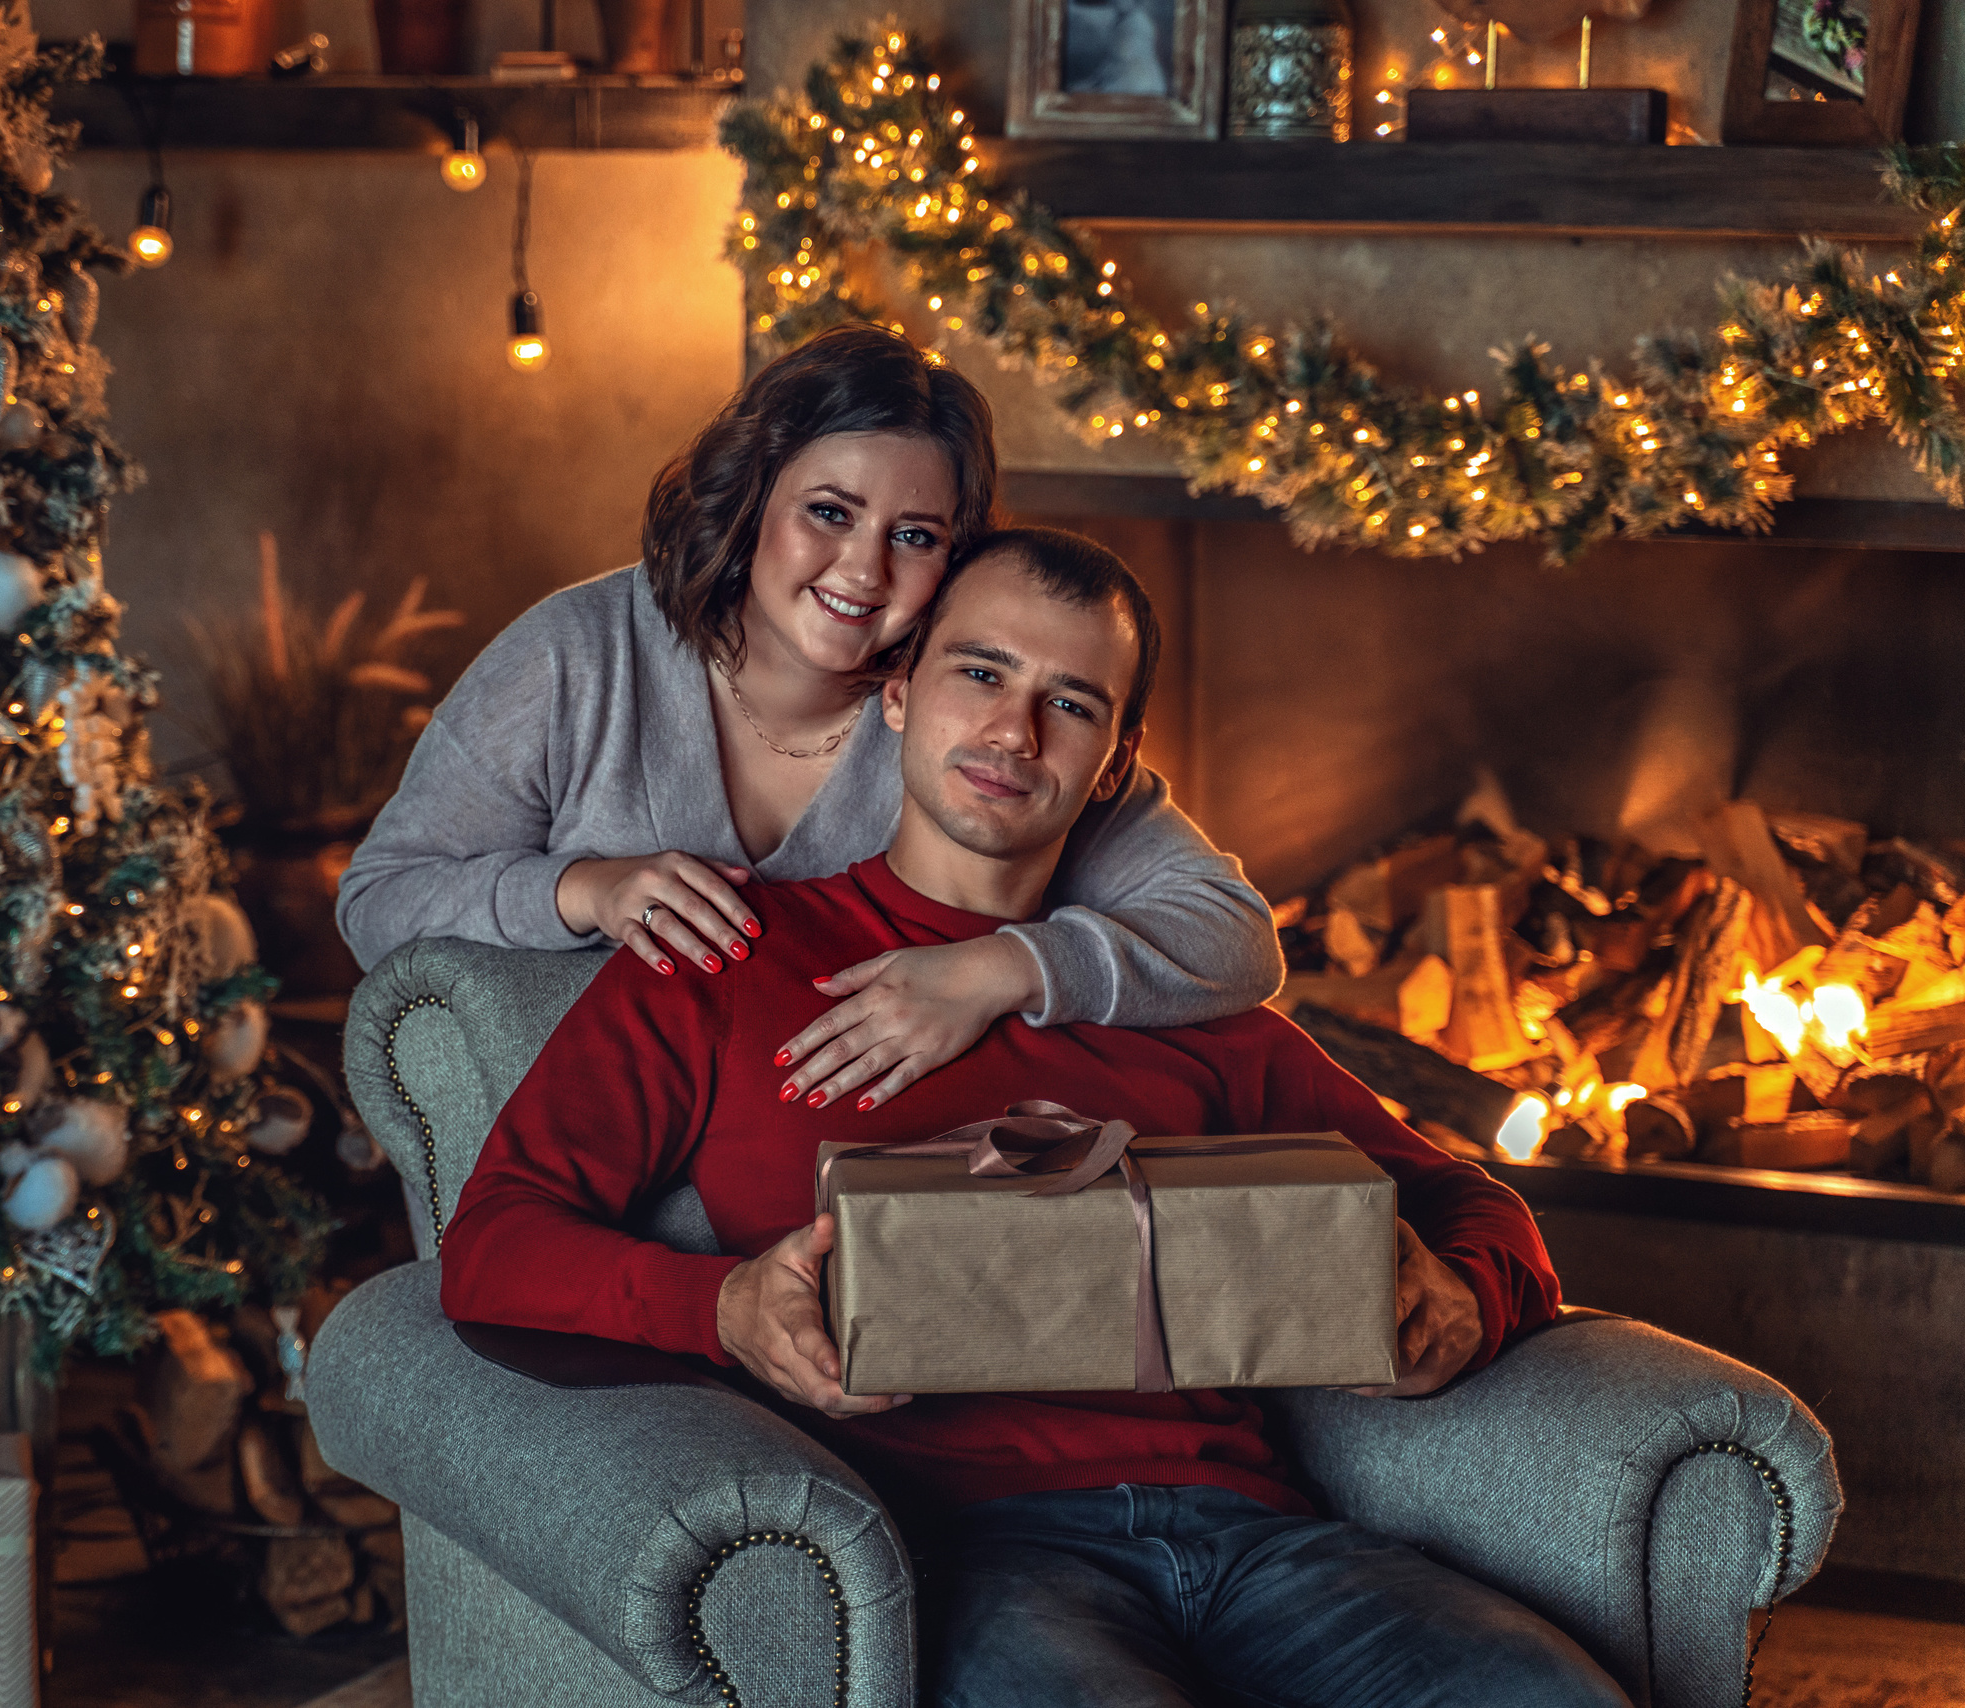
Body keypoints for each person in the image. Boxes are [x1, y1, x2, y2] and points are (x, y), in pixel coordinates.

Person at [440, 529, 1626, 1707]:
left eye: (1071, 702)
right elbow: (492, 1246)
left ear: (1114, 762)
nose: (1014, 733)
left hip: (1259, 1539)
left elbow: (1470, 1197)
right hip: (970, 1556)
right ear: (895, 692)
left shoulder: (1174, 994)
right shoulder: (728, 961)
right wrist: (724, 1309)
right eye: (981, 673)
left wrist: (1466, 1298)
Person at [337, 326, 1283, 1112]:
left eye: (915, 536)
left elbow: (1234, 935)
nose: (865, 572)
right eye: (829, 512)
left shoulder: (977, 718)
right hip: (612, 1163)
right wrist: (583, 892)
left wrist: (1001, 970)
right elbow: (378, 900)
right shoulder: (576, 658)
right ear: (752, 503)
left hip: (865, 1188)